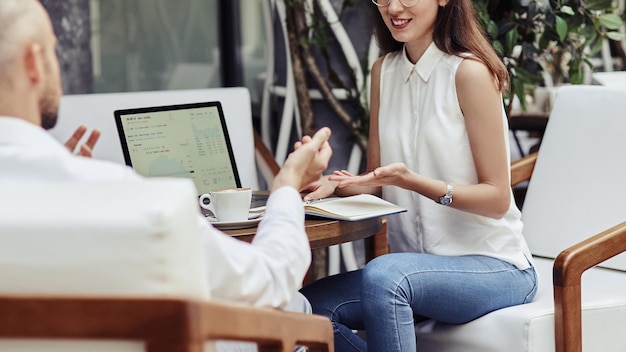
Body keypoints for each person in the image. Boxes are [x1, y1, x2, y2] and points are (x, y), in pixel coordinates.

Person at [0, 0, 332, 350]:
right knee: (299, 307)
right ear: (33, 62)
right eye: (53, 50)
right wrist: (287, 185)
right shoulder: (129, 201)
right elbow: (271, 280)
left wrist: (61, 182)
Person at [299, 0, 538, 351]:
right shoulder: (384, 71)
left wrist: (414, 182)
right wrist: (333, 184)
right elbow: (378, 179)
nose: (394, 7)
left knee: (385, 276)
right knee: (307, 309)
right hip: (414, 272)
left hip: (496, 268)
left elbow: (498, 199)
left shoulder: (469, 72)